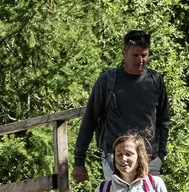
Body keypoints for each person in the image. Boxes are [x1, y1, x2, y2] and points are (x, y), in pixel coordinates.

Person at [73, 30, 171, 182]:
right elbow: (90, 119)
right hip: (116, 159)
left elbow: (163, 121)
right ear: (124, 54)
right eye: (135, 55)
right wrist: (79, 161)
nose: (140, 60)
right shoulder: (108, 81)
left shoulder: (155, 81)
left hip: (149, 160)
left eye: (144, 55)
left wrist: (161, 154)